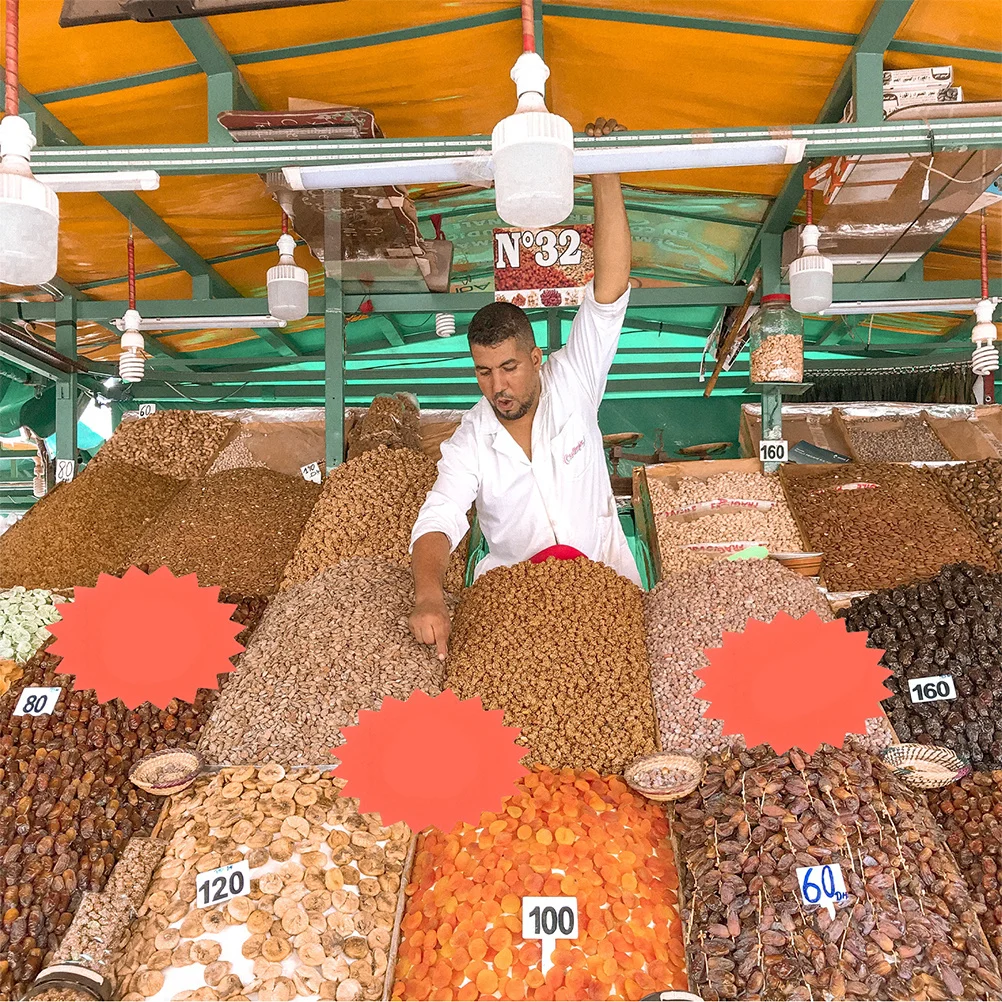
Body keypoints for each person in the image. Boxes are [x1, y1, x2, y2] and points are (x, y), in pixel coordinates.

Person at [409, 117, 639, 660]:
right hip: (519, 612)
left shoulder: (574, 376)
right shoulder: (471, 438)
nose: (498, 386)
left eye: (510, 367)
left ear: (536, 358)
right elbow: (439, 516)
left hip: (606, 592)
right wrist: (428, 592)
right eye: (484, 372)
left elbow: (608, 291)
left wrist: (605, 173)